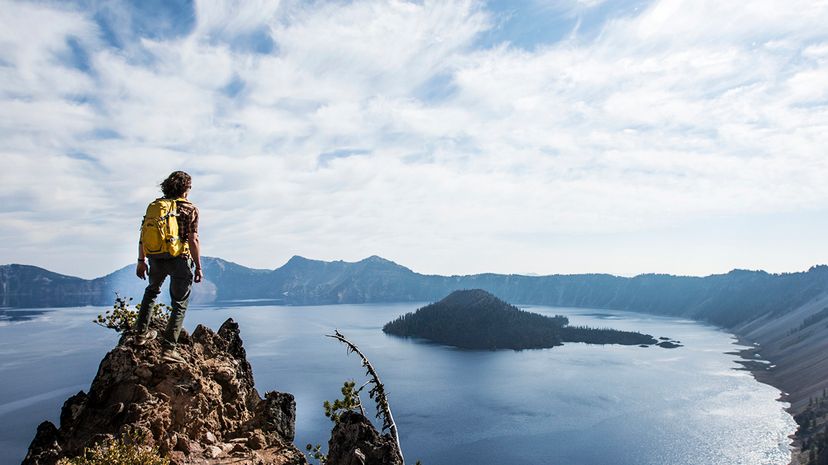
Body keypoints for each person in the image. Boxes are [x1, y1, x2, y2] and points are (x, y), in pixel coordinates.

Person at [134, 171, 203, 363]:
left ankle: (140, 335)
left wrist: (141, 261)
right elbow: (193, 239)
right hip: (180, 259)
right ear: (186, 188)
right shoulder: (190, 209)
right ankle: (168, 349)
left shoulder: (156, 207)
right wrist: (198, 267)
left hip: (156, 258)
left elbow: (143, 235)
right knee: (179, 304)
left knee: (151, 292)